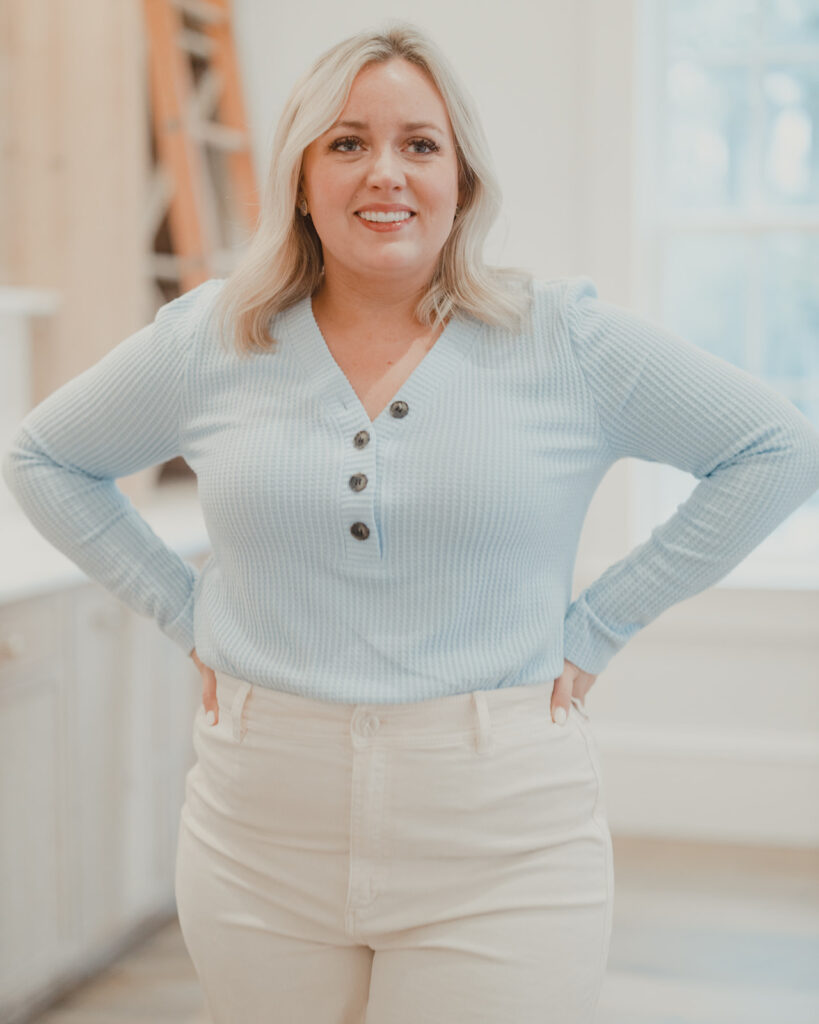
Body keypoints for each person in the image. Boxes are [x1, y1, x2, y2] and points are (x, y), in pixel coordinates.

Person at [4, 18, 819, 1024]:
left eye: (419, 145)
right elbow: (43, 455)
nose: (383, 171)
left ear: (462, 181)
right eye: (346, 143)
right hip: (259, 830)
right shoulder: (213, 338)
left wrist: (601, 623)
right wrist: (185, 613)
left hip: (503, 838)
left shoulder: (561, 337)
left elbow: (779, 448)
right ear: (301, 179)